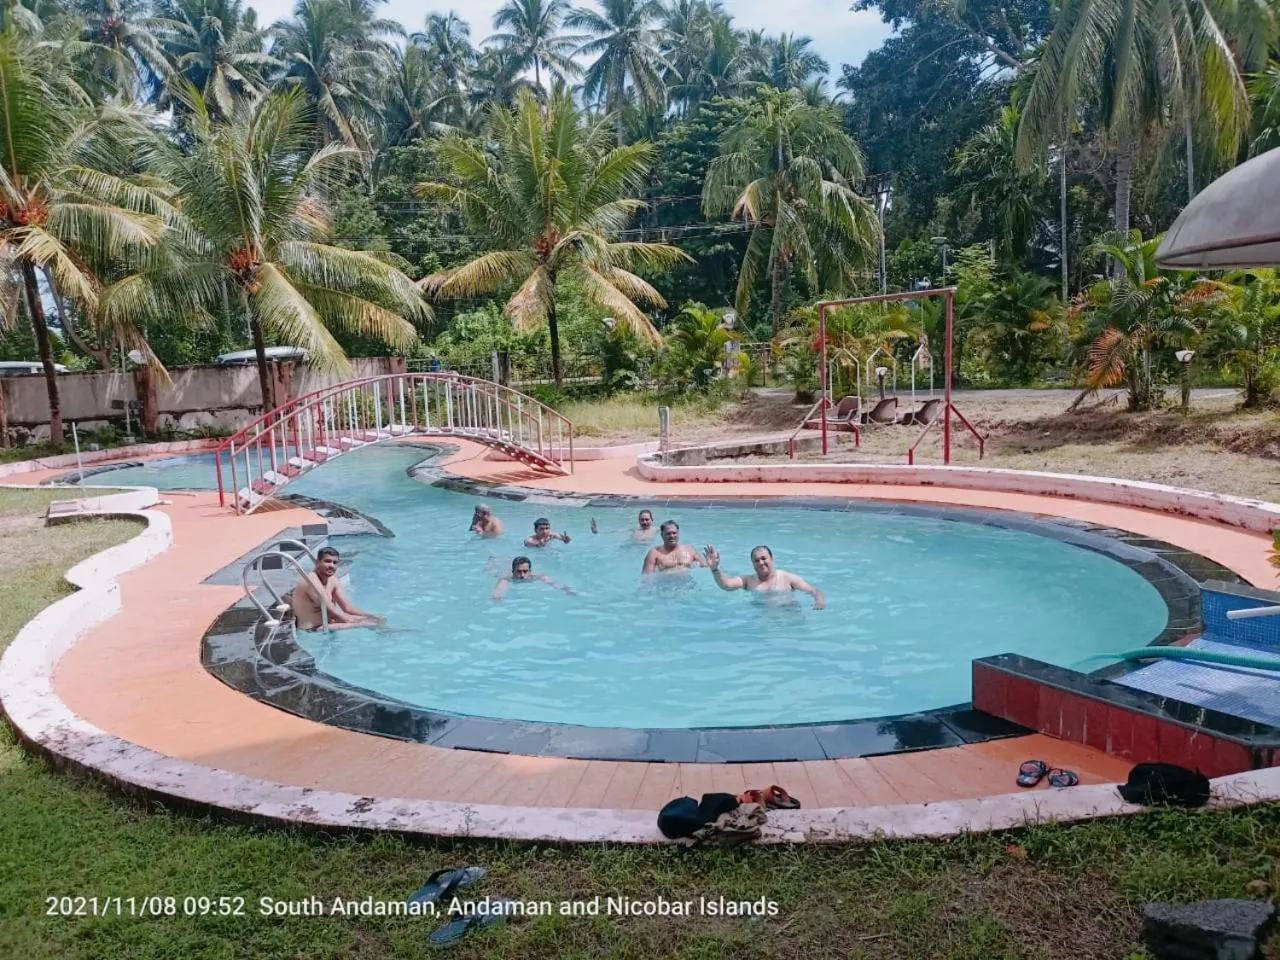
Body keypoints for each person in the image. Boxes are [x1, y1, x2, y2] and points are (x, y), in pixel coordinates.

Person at [703, 544, 825, 609]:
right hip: (761, 622)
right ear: (752, 563)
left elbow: (813, 590)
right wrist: (715, 568)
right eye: (756, 560)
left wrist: (819, 602)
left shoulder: (788, 578)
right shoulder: (748, 581)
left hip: (788, 619)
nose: (761, 563)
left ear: (772, 559)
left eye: (763, 558)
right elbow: (726, 585)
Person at [290, 546, 385, 630]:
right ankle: (388, 633)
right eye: (327, 561)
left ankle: (385, 632)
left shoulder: (333, 580)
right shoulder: (311, 582)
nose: (332, 565)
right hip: (313, 630)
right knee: (368, 624)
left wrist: (371, 616)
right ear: (317, 562)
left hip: (328, 624)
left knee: (376, 619)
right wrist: (364, 621)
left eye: (335, 562)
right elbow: (334, 613)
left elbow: (348, 608)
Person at [493, 556, 575, 600]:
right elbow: (499, 592)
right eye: (519, 571)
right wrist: (498, 598)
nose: (522, 575)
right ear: (513, 571)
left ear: (530, 571)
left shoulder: (536, 577)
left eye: (525, 571)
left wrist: (566, 589)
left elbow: (553, 583)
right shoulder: (506, 579)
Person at [590, 509, 656, 541]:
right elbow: (615, 531)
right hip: (631, 548)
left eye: (647, 519)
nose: (644, 522)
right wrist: (597, 531)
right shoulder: (634, 529)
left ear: (652, 520)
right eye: (642, 520)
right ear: (639, 521)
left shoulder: (656, 530)